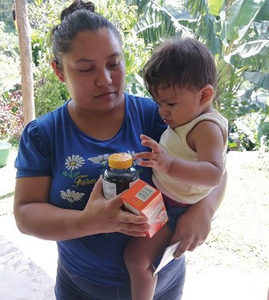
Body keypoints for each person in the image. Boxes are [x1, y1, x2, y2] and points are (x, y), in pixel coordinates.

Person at [13, 1, 227, 299]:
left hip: (163, 283)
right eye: (86, 69)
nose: (106, 80)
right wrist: (89, 221)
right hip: (81, 288)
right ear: (59, 71)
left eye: (114, 63)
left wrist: (205, 209)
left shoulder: (155, 114)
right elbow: (25, 214)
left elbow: (215, 162)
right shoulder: (44, 135)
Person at [123, 38, 228, 300]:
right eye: (159, 104)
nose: (162, 112)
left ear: (204, 95)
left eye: (170, 104)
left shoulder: (206, 128)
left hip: (175, 209)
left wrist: (168, 164)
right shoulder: (188, 117)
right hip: (163, 196)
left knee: (137, 259)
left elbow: (215, 172)